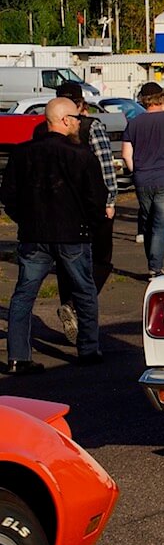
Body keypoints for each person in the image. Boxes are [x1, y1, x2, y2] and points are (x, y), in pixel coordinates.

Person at [1, 98, 108, 373]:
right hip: (73, 233)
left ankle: (18, 357)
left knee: (24, 294)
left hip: (34, 233)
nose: (78, 122)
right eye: (76, 118)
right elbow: (97, 198)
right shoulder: (81, 155)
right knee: (84, 290)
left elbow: (9, 197)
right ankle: (88, 348)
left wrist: (25, 220)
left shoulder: (22, 153)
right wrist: (92, 224)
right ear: (64, 120)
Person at [52, 82, 117, 347]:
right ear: (81, 104)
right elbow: (105, 166)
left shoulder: (44, 128)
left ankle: (71, 307)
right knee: (101, 259)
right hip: (91, 204)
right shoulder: (93, 127)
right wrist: (110, 199)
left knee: (66, 264)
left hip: (58, 208)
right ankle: (75, 308)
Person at [123, 84, 164, 279]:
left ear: (143, 100)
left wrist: (137, 172)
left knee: (149, 222)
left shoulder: (133, 123)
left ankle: (152, 262)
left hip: (143, 178)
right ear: (161, 98)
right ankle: (155, 267)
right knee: (161, 225)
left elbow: (127, 155)